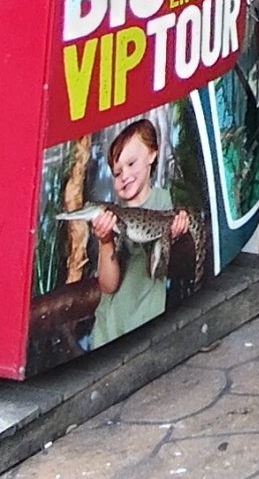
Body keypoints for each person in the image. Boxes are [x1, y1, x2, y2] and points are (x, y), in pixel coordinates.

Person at [84, 114, 198, 348]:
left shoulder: (170, 202)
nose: (124, 175)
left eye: (131, 164)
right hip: (110, 328)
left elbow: (159, 271)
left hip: (148, 321)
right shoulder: (111, 216)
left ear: (152, 155)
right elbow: (107, 286)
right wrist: (105, 240)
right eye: (117, 173)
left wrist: (173, 239)